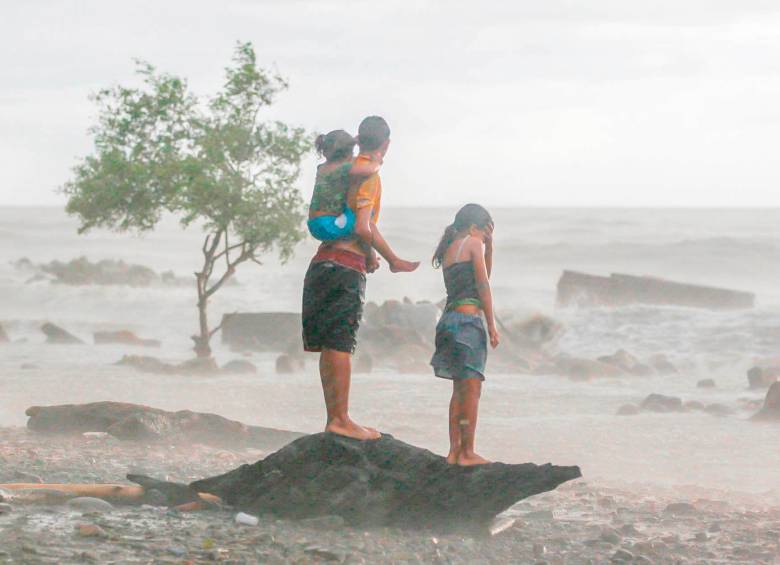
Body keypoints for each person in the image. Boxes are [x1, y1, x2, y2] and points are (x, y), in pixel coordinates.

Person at [302, 116, 419, 441]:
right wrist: (384, 258)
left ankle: (334, 418)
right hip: (344, 267)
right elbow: (364, 226)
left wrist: (382, 256)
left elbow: (358, 223)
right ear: (386, 144)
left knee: (328, 345)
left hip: (322, 263)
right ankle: (340, 419)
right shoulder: (367, 174)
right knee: (340, 343)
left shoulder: (340, 170)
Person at [430, 203, 499, 465]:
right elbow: (483, 286)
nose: (484, 240)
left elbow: (479, 277)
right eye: (485, 234)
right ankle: (467, 452)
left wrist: (489, 247)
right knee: (471, 389)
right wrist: (491, 325)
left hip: (448, 321)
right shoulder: (472, 242)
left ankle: (454, 451)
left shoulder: (451, 247)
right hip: (468, 323)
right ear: (474, 228)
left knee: (459, 389)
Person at [307, 130, 378, 242]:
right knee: (365, 215)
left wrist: (353, 141)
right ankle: (369, 256)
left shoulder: (321, 168)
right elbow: (371, 170)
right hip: (329, 226)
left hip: (313, 225)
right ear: (348, 155)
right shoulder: (345, 169)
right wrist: (376, 161)